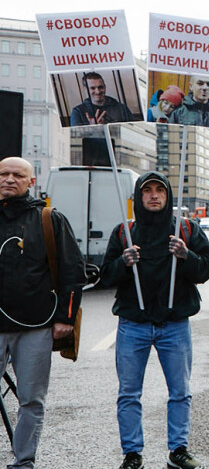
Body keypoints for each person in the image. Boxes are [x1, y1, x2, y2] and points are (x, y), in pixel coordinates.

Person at [101, 172, 209, 469]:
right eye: (147, 191)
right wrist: (123, 263)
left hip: (174, 324)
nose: (154, 196)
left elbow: (205, 270)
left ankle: (179, 450)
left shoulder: (186, 229)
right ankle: (132, 454)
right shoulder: (124, 232)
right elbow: (105, 277)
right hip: (132, 324)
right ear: (139, 197)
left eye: (160, 191)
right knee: (129, 393)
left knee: (180, 391)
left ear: (168, 196)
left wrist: (186, 255)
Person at [0, 157, 85, 468]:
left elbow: (74, 272)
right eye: (3, 174)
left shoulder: (49, 219)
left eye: (17, 175)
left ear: (31, 182)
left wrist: (65, 317)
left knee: (31, 400)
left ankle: (23, 461)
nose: (9, 179)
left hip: (36, 327)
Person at [70, 71, 135, 125]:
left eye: (100, 87)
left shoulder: (121, 108)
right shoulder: (77, 111)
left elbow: (133, 130)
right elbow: (76, 138)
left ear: (105, 87)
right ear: (85, 89)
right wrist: (91, 128)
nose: (98, 92)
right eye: (92, 88)